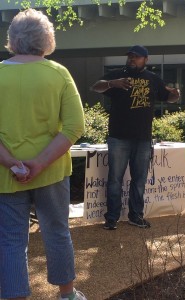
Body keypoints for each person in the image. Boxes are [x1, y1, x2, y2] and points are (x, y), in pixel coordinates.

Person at [0, 9, 87, 300]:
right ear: (47, 38)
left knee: (11, 240)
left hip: (6, 175)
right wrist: (39, 163)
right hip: (51, 171)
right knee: (57, 232)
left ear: (12, 39)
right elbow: (76, 126)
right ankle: (67, 294)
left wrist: (12, 162)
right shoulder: (58, 73)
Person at [90, 45, 180, 230]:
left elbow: (167, 97)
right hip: (118, 137)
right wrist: (111, 84)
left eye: (136, 57)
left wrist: (175, 96)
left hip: (143, 138)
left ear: (145, 60)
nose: (132, 59)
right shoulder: (117, 75)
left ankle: (136, 215)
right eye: (130, 56)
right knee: (115, 179)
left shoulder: (153, 79)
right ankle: (112, 218)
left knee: (139, 179)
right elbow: (95, 87)